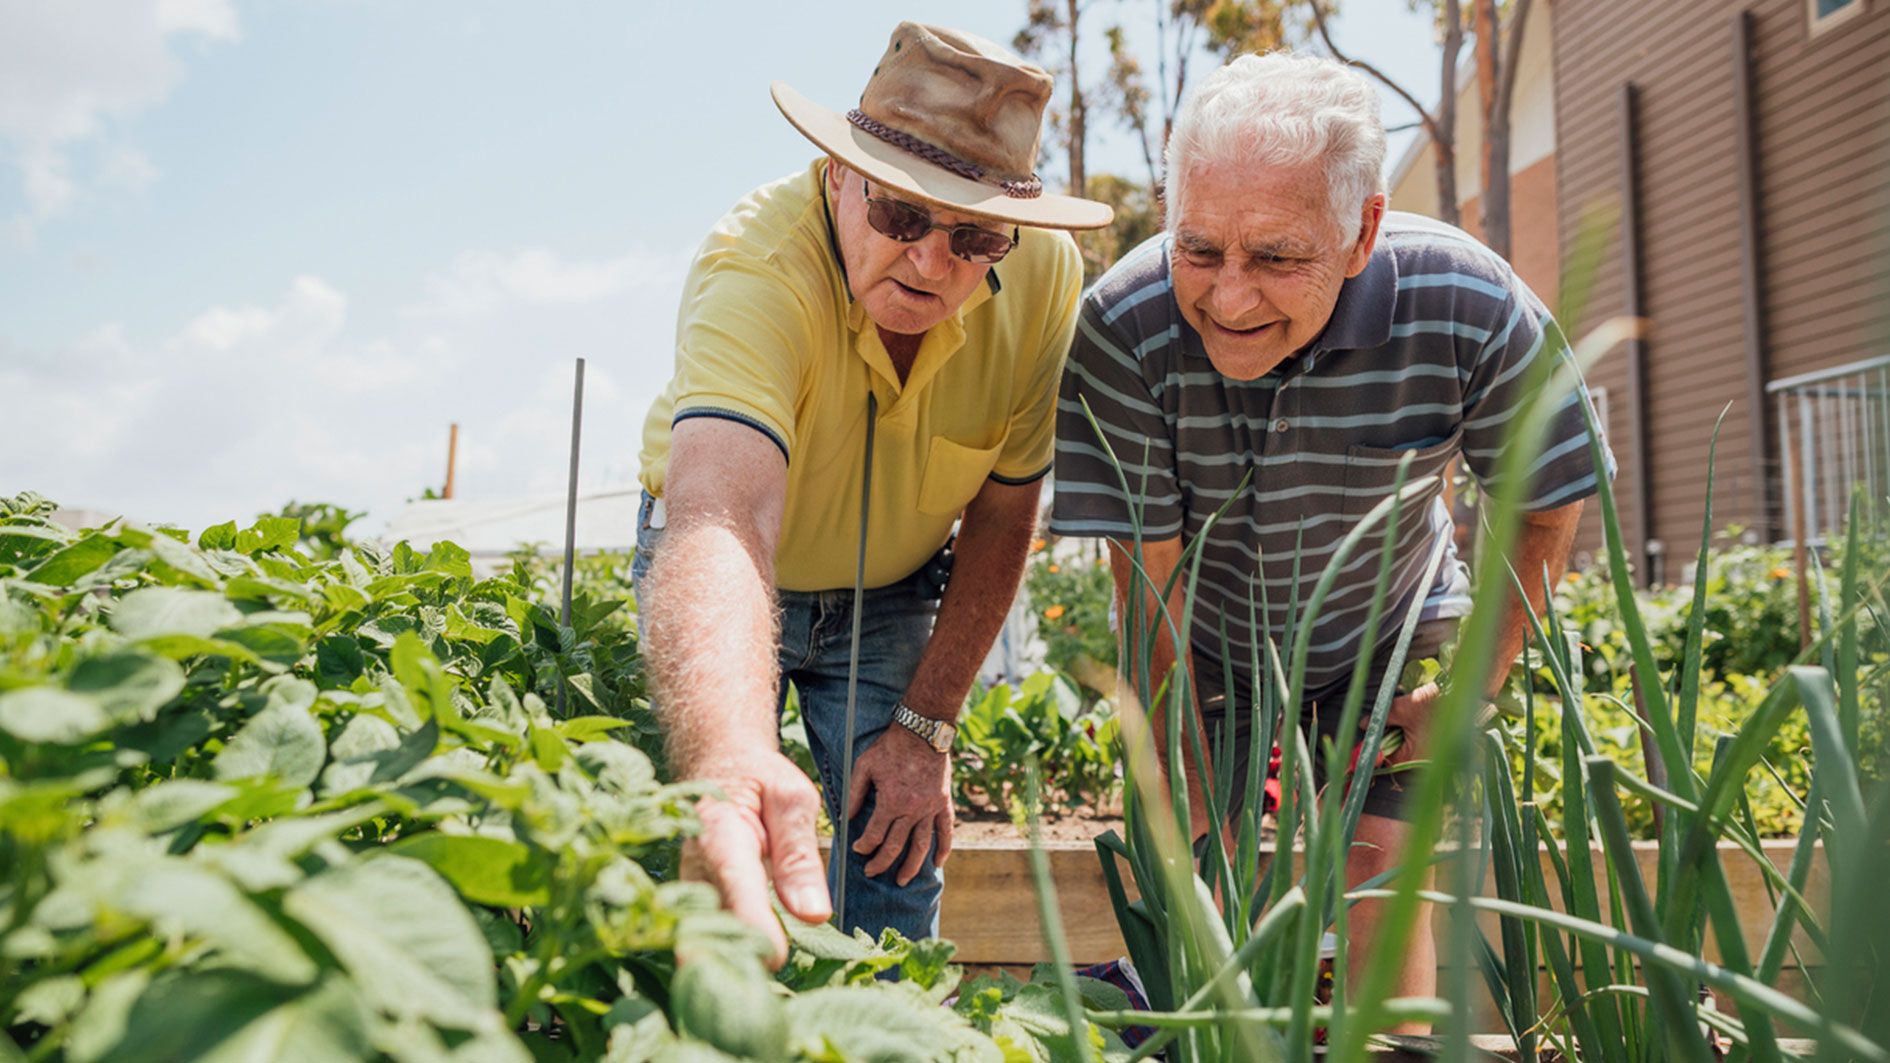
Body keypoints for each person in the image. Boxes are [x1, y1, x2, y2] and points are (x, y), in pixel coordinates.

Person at [1051, 52, 1612, 1031]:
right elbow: (1150, 589)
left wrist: (1473, 682)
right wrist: (1185, 785)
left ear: (1364, 232)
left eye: (1276, 257)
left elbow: (1548, 498)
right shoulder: (1124, 327)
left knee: (1377, 878)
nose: (1228, 299)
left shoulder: (1466, 304)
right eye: (1201, 249)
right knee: (1209, 889)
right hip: (1211, 639)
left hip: (1398, 625)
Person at [631, 22, 1112, 964]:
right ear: (838, 175)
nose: (932, 264)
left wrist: (926, 727)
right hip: (735, 573)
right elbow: (721, 517)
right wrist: (731, 752)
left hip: (890, 589)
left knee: (896, 846)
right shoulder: (757, 270)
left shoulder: (1046, 278)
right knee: (706, 831)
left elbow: (1007, 510)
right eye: (900, 217)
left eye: (972, 236)